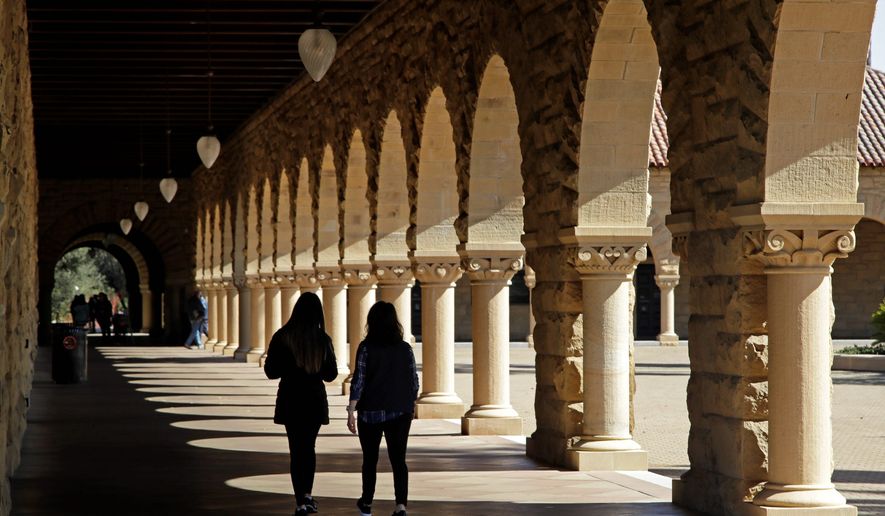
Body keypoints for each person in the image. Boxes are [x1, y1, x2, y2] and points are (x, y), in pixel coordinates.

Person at [264, 292, 338, 516]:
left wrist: (290, 366)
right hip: (314, 400)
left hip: (291, 399)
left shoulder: (283, 336)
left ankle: (300, 501)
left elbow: (271, 371)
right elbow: (331, 374)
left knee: (296, 450)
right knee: (309, 448)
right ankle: (307, 494)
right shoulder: (322, 339)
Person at [347, 301, 419, 516]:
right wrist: (410, 404)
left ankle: (367, 502)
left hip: (370, 411)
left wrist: (351, 410)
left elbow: (358, 379)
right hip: (399, 411)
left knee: (370, 459)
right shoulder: (405, 348)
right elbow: (414, 380)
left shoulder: (366, 347)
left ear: (371, 321)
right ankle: (400, 505)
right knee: (399, 460)